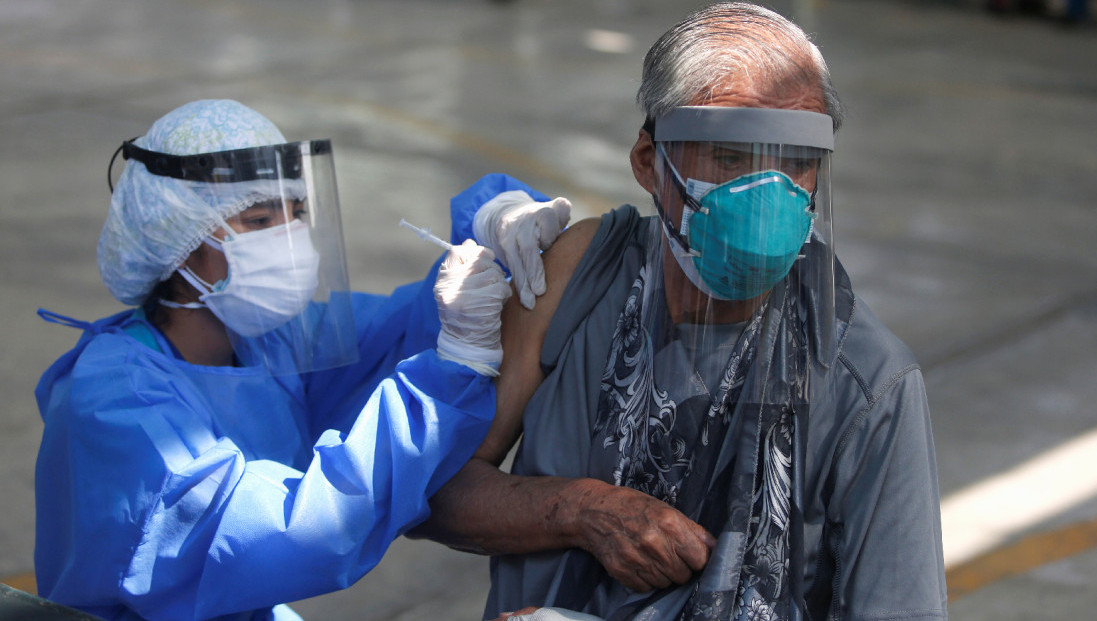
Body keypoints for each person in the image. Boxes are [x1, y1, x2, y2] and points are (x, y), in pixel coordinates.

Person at [413, 4, 948, 620]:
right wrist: (582, 511)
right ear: (648, 162)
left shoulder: (863, 380)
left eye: (795, 161)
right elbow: (434, 489)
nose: (765, 199)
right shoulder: (581, 274)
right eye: (728, 158)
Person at [33, 99, 570, 621]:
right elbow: (298, 533)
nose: (289, 238)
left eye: (297, 213)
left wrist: (494, 224)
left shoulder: (271, 344)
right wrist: (453, 366)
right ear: (177, 243)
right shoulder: (112, 403)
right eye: (261, 219)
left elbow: (405, 327)